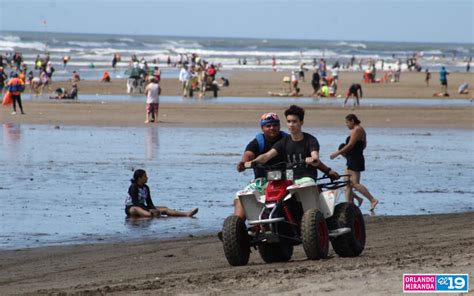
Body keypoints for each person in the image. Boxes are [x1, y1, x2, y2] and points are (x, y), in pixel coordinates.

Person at [247, 105, 339, 188]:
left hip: (306, 177)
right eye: (289, 121)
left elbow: (315, 158)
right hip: (289, 177)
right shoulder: (283, 142)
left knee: (306, 186)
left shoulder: (310, 140)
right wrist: (253, 162)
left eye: (294, 121)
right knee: (261, 188)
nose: (291, 125)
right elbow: (266, 156)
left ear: (301, 122)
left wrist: (312, 159)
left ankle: (311, 207)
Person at [232, 113, 288, 218]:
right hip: (262, 180)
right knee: (242, 196)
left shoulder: (287, 140)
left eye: (275, 125)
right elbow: (248, 155)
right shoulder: (258, 142)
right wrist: (243, 164)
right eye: (268, 126)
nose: (272, 128)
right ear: (262, 128)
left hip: (286, 178)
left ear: (279, 126)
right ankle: (236, 226)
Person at [330, 114, 379, 211]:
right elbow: (364, 145)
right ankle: (350, 206)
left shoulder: (357, 130)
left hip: (355, 159)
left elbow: (350, 145)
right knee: (346, 183)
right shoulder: (360, 130)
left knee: (355, 183)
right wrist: (354, 153)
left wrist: (337, 153)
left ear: (352, 121)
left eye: (347, 122)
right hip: (353, 157)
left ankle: (372, 200)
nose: (346, 125)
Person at [125, 169, 198, 218]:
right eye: (145, 176)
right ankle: (151, 215)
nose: (147, 178)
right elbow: (135, 203)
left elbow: (149, 202)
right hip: (131, 208)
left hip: (143, 207)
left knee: (165, 209)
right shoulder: (133, 187)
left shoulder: (146, 187)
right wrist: (149, 210)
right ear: (139, 178)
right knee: (136, 209)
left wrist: (153, 208)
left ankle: (186, 214)